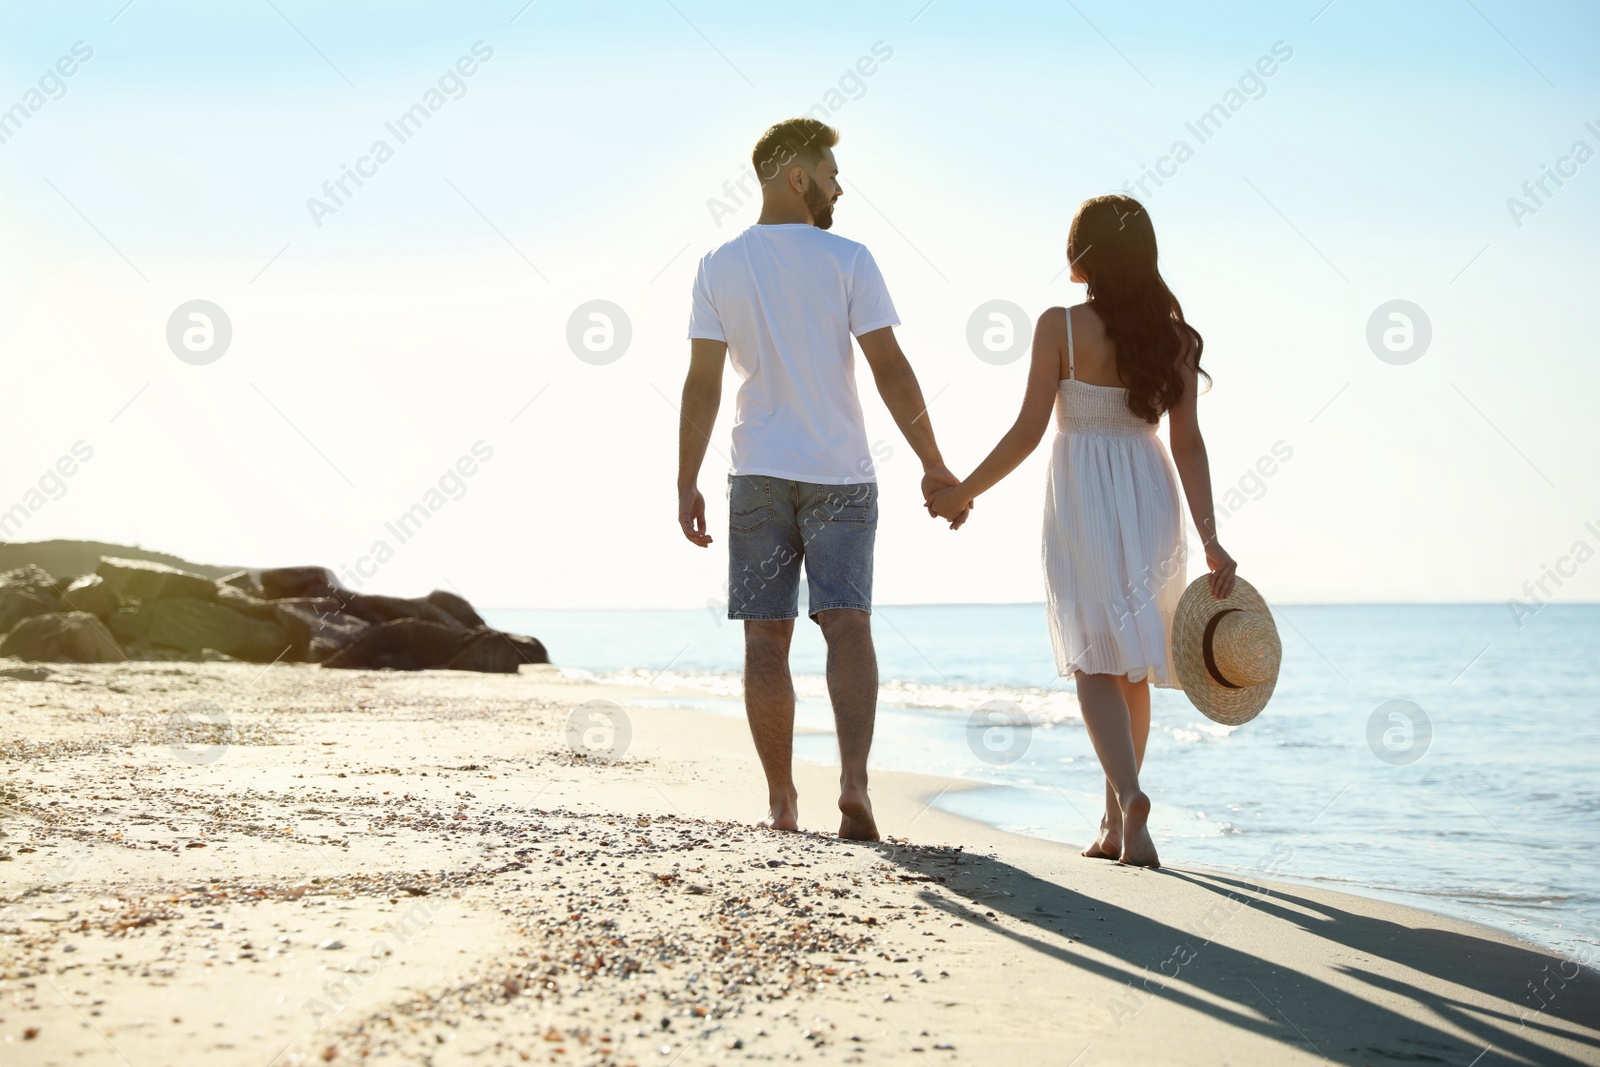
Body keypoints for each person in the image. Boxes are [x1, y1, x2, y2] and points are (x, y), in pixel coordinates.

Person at [927, 195, 1236, 868]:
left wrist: (962, 493)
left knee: (1096, 653)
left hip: (1083, 493)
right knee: (1134, 665)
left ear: (1082, 256)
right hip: (1150, 493)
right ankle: (1116, 822)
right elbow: (1189, 444)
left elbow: (1027, 431)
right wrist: (1211, 538)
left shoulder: (1060, 327)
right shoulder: (1175, 338)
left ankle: (1127, 798)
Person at [675, 118, 963, 841]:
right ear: (795, 176)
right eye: (830, 171)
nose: (840, 185)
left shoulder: (718, 264)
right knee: (848, 626)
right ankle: (855, 787)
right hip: (840, 474)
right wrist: (932, 461)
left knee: (765, 640)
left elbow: (702, 384)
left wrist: (686, 479)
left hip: (758, 475)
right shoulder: (849, 258)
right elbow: (889, 366)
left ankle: (781, 800)